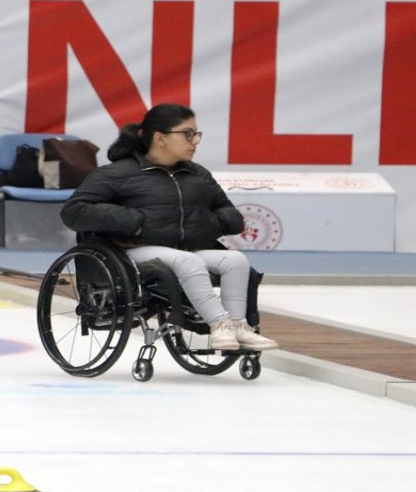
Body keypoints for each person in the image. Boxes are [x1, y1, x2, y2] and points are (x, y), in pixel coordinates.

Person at [60, 103, 279, 351]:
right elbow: (74, 211)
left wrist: (200, 224)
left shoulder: (198, 175)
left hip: (186, 249)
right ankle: (220, 323)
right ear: (160, 138)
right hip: (134, 251)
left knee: (236, 260)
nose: (195, 140)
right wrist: (136, 221)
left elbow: (231, 217)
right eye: (187, 133)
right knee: (188, 262)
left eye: (197, 133)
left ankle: (238, 325)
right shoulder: (116, 173)